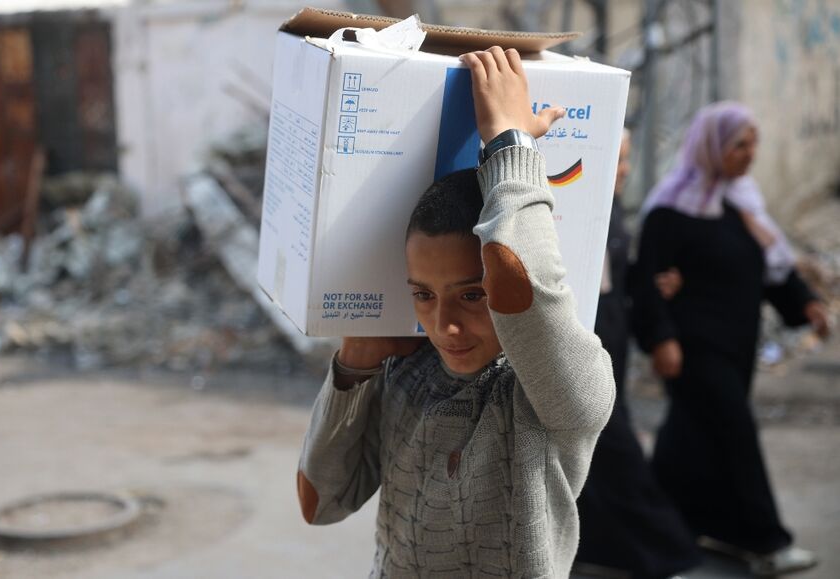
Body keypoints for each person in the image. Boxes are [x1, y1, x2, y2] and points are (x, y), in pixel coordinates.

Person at [296, 47, 615, 577]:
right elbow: (319, 502)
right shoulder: (408, 373)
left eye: (472, 295)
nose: (442, 326)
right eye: (422, 294)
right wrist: (353, 366)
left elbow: (522, 282)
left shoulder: (557, 394)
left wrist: (509, 142)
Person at [631, 101, 830, 577]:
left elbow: (772, 268)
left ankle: (677, 528)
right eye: (739, 144)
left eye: (753, 142)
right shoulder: (670, 210)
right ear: (711, 146)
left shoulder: (742, 204)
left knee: (687, 438)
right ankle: (768, 542)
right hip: (693, 348)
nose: (750, 153)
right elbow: (647, 282)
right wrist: (660, 339)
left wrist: (805, 303)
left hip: (736, 346)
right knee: (736, 433)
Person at [574, 130, 701, 579]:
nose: (624, 169)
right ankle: (667, 555)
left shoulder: (609, 208)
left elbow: (614, 274)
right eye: (617, 158)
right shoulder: (572, 205)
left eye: (627, 159)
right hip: (583, 341)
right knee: (615, 450)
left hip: (612, 335)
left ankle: (594, 550)